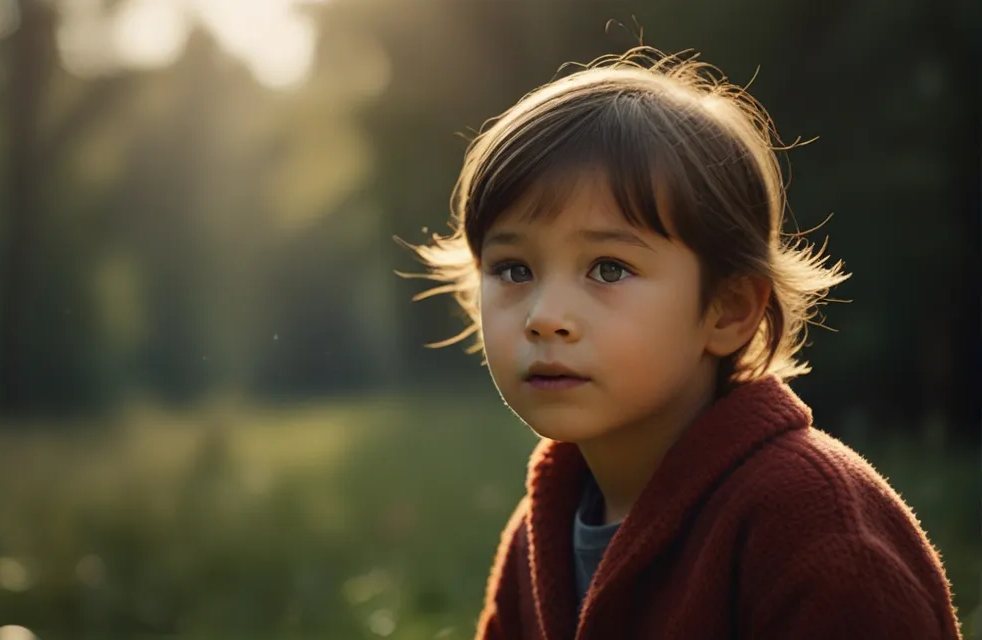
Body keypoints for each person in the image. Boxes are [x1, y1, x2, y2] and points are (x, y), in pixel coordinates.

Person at [400, 47, 962, 639]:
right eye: (514, 270)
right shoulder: (542, 532)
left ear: (729, 310)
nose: (545, 317)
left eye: (609, 269)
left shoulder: (813, 523)